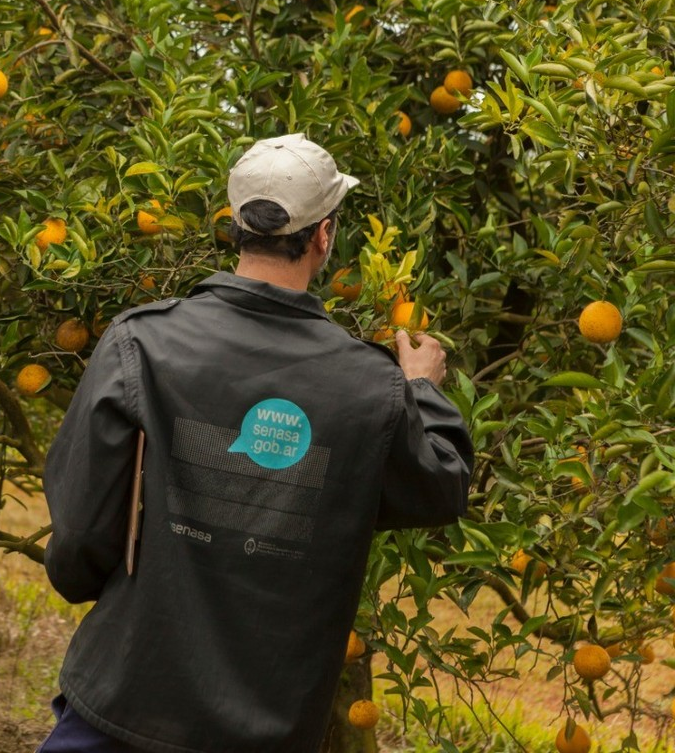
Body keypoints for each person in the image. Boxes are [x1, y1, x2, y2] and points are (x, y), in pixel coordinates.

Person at [37, 134, 474, 753]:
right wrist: (421, 392)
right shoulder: (370, 387)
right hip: (265, 726)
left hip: (126, 699)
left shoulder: (142, 343)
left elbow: (79, 537)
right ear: (324, 235)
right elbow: (441, 487)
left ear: (237, 226)